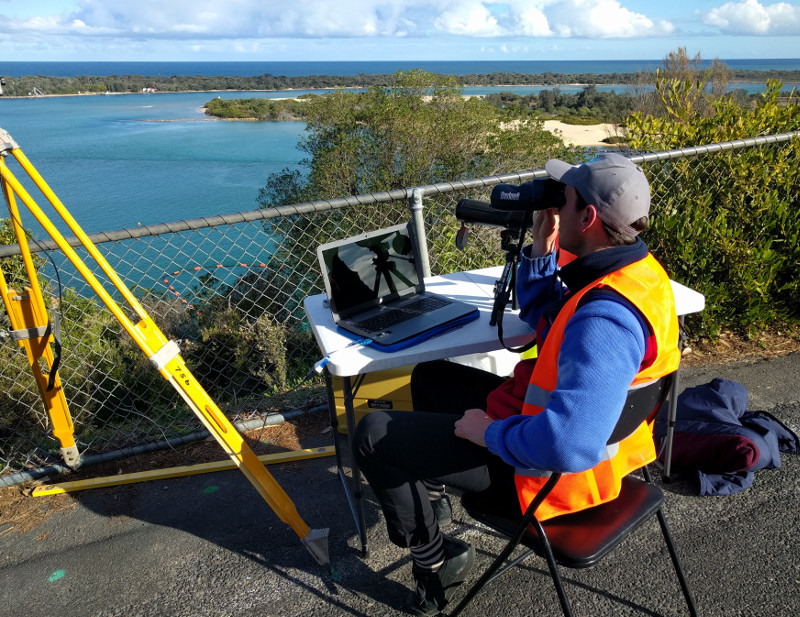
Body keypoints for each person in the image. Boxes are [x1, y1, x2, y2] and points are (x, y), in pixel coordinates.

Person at [353, 153, 681, 616]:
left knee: (372, 436)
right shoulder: (632, 274)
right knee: (431, 377)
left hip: (548, 479)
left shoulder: (605, 320)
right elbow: (545, 313)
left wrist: (485, 433)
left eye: (562, 202)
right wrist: (543, 245)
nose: (553, 207)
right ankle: (430, 504)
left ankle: (435, 561)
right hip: (548, 435)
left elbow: (568, 444)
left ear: (587, 217)